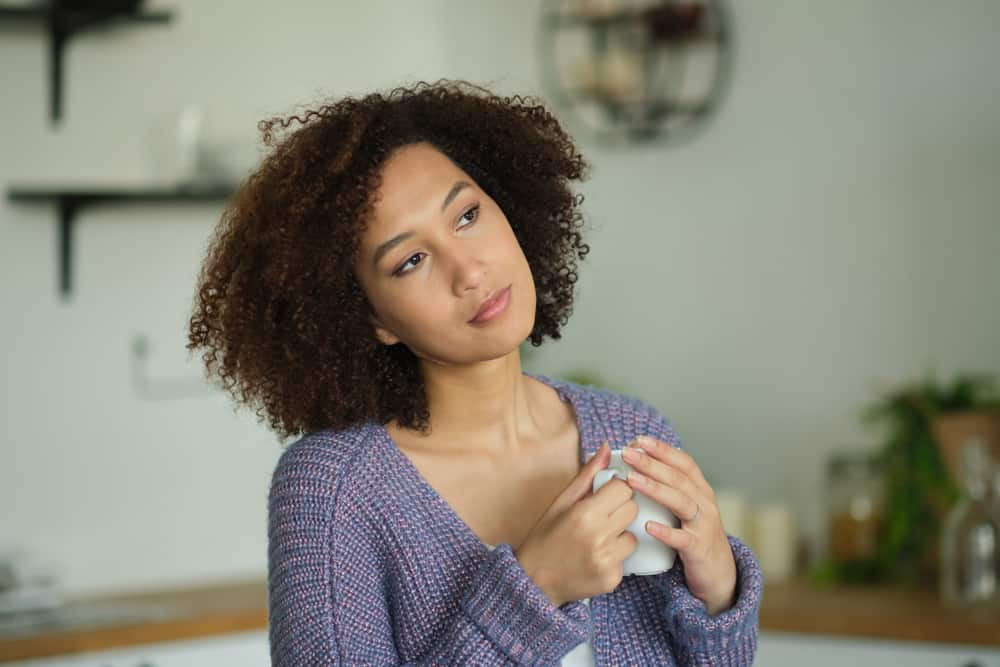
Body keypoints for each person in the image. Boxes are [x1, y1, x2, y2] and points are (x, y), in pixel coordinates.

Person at [187, 79, 762, 665]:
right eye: (410, 260)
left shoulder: (633, 430)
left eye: (466, 215)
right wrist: (534, 593)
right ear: (370, 318)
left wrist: (718, 591)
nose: (469, 271)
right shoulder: (335, 493)